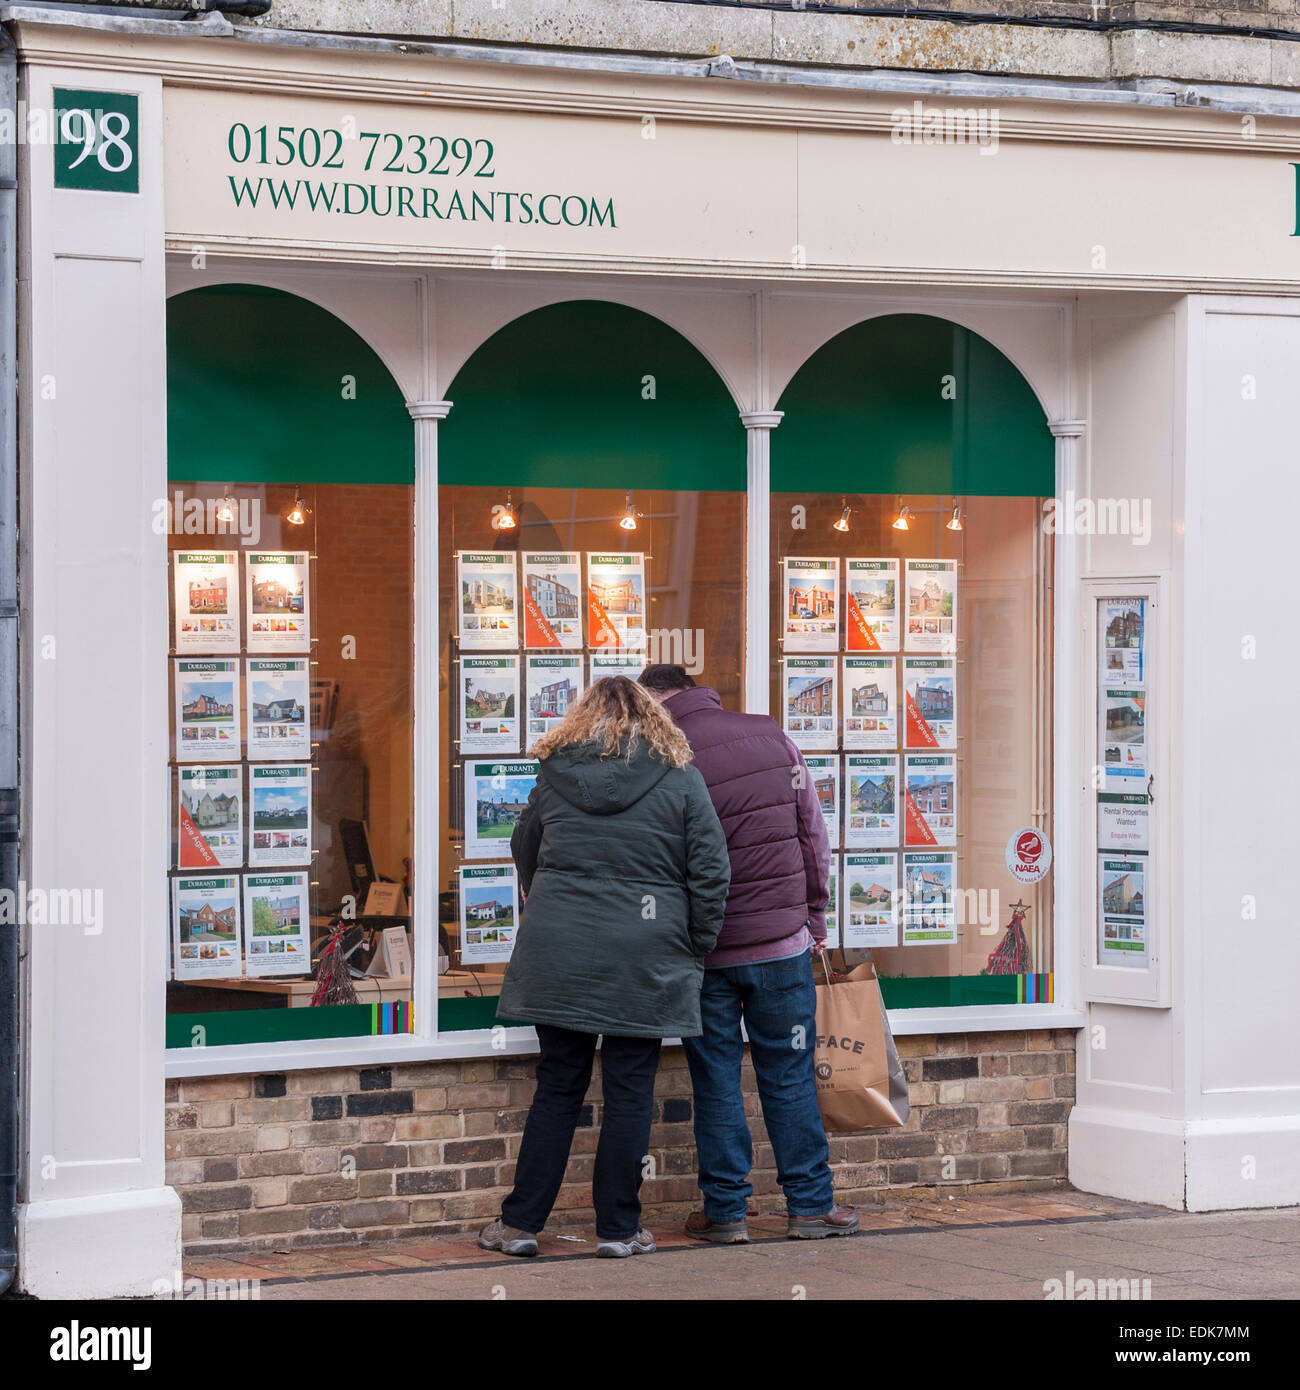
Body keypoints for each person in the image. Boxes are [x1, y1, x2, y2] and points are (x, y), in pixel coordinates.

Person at [478, 676, 731, 1260]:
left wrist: (555, 905)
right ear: (654, 719)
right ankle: (618, 1229)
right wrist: (693, 943)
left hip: (558, 951)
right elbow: (712, 873)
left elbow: (525, 851)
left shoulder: (555, 776)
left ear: (582, 718)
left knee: (557, 1089)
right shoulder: (682, 780)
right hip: (645, 953)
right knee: (629, 1093)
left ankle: (519, 1225)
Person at [639, 663, 859, 1243]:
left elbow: (657, 860)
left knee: (714, 1080)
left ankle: (727, 1212)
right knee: (788, 1076)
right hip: (782, 948)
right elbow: (813, 834)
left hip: (705, 954)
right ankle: (811, 1207)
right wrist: (814, 919)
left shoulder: (663, 754)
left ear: (658, 699)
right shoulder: (772, 735)